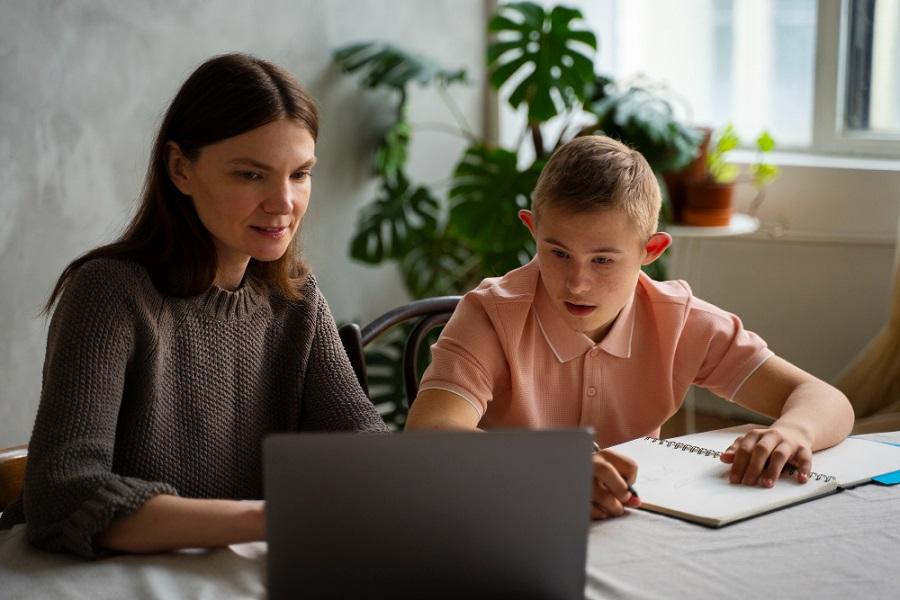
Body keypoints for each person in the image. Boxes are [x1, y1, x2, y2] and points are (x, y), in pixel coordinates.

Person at [0, 53, 387, 557]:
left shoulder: (296, 298)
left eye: (300, 174)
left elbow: (364, 441)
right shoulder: (108, 293)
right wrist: (264, 518)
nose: (283, 202)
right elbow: (66, 495)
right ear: (181, 168)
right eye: (251, 175)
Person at [405, 135, 854, 520]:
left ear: (651, 250)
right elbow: (430, 434)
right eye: (557, 253)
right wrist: (550, 469)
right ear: (532, 229)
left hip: (632, 525)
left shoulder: (678, 320)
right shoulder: (490, 316)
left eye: (602, 259)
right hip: (507, 518)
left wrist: (794, 432)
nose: (577, 283)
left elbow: (824, 400)